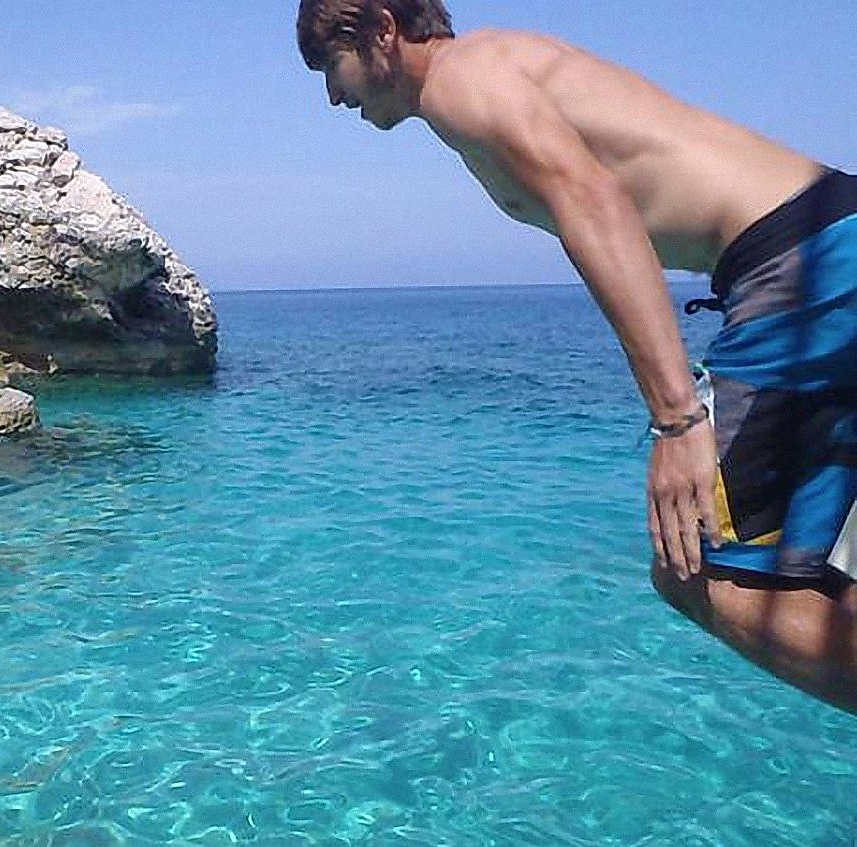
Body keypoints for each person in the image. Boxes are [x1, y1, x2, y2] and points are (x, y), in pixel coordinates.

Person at [297, 0, 857, 713]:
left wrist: (678, 421)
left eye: (331, 65)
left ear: (382, 30)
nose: (332, 95)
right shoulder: (499, 62)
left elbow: (594, 204)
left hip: (800, 269)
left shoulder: (459, 81)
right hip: (831, 234)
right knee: (826, 571)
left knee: (695, 571)